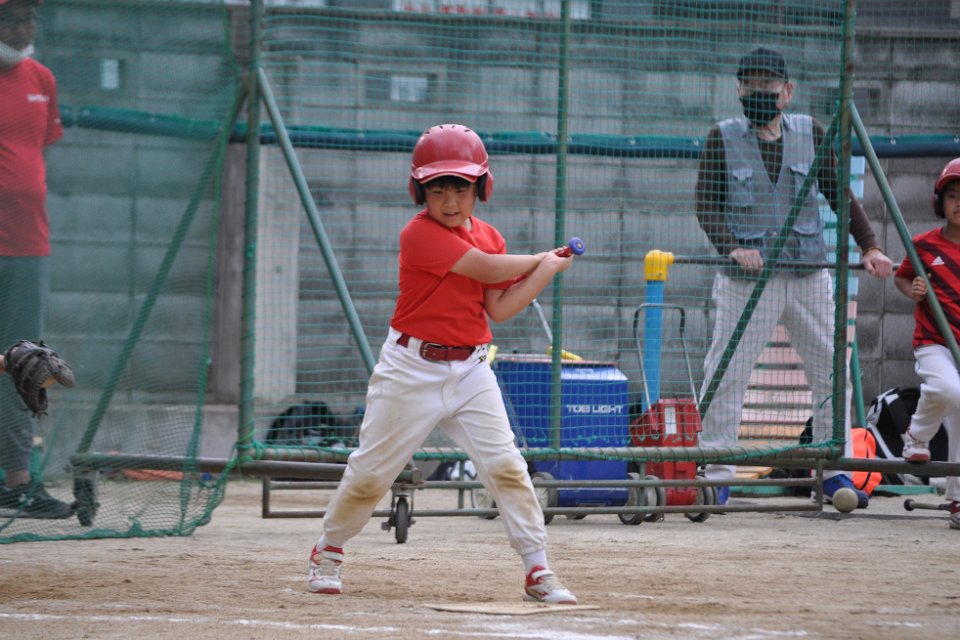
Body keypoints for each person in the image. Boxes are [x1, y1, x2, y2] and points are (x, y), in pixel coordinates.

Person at [306, 123, 578, 603]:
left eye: (461, 188)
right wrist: (542, 258)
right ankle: (328, 550)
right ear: (420, 192)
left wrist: (547, 272)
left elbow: (500, 307)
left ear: (481, 188)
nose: (450, 200)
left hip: (471, 369)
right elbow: (486, 268)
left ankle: (537, 568)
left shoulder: (490, 236)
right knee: (372, 473)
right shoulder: (419, 234)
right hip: (411, 368)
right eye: (437, 189)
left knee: (507, 466)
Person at [694, 47, 893, 508]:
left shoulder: (811, 132)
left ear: (787, 91)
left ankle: (834, 471)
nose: (757, 92)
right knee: (727, 370)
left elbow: (839, 194)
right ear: (738, 89)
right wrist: (732, 247)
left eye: (767, 84)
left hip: (807, 273)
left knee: (831, 370)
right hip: (746, 280)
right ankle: (716, 472)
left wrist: (870, 245)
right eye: (748, 84)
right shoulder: (722, 137)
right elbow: (705, 204)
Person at [0, 0, 70, 518]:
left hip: (28, 245)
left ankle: (16, 483)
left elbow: (36, 151)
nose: (24, 28)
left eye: (29, 18)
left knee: (22, 364)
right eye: (11, 18)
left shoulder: (41, 78)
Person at [894, 157, 960, 530]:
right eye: (952, 196)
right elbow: (902, 278)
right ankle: (917, 435)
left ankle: (958, 499)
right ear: (939, 202)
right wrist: (915, 290)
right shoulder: (923, 245)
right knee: (948, 389)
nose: (959, 203)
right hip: (934, 341)